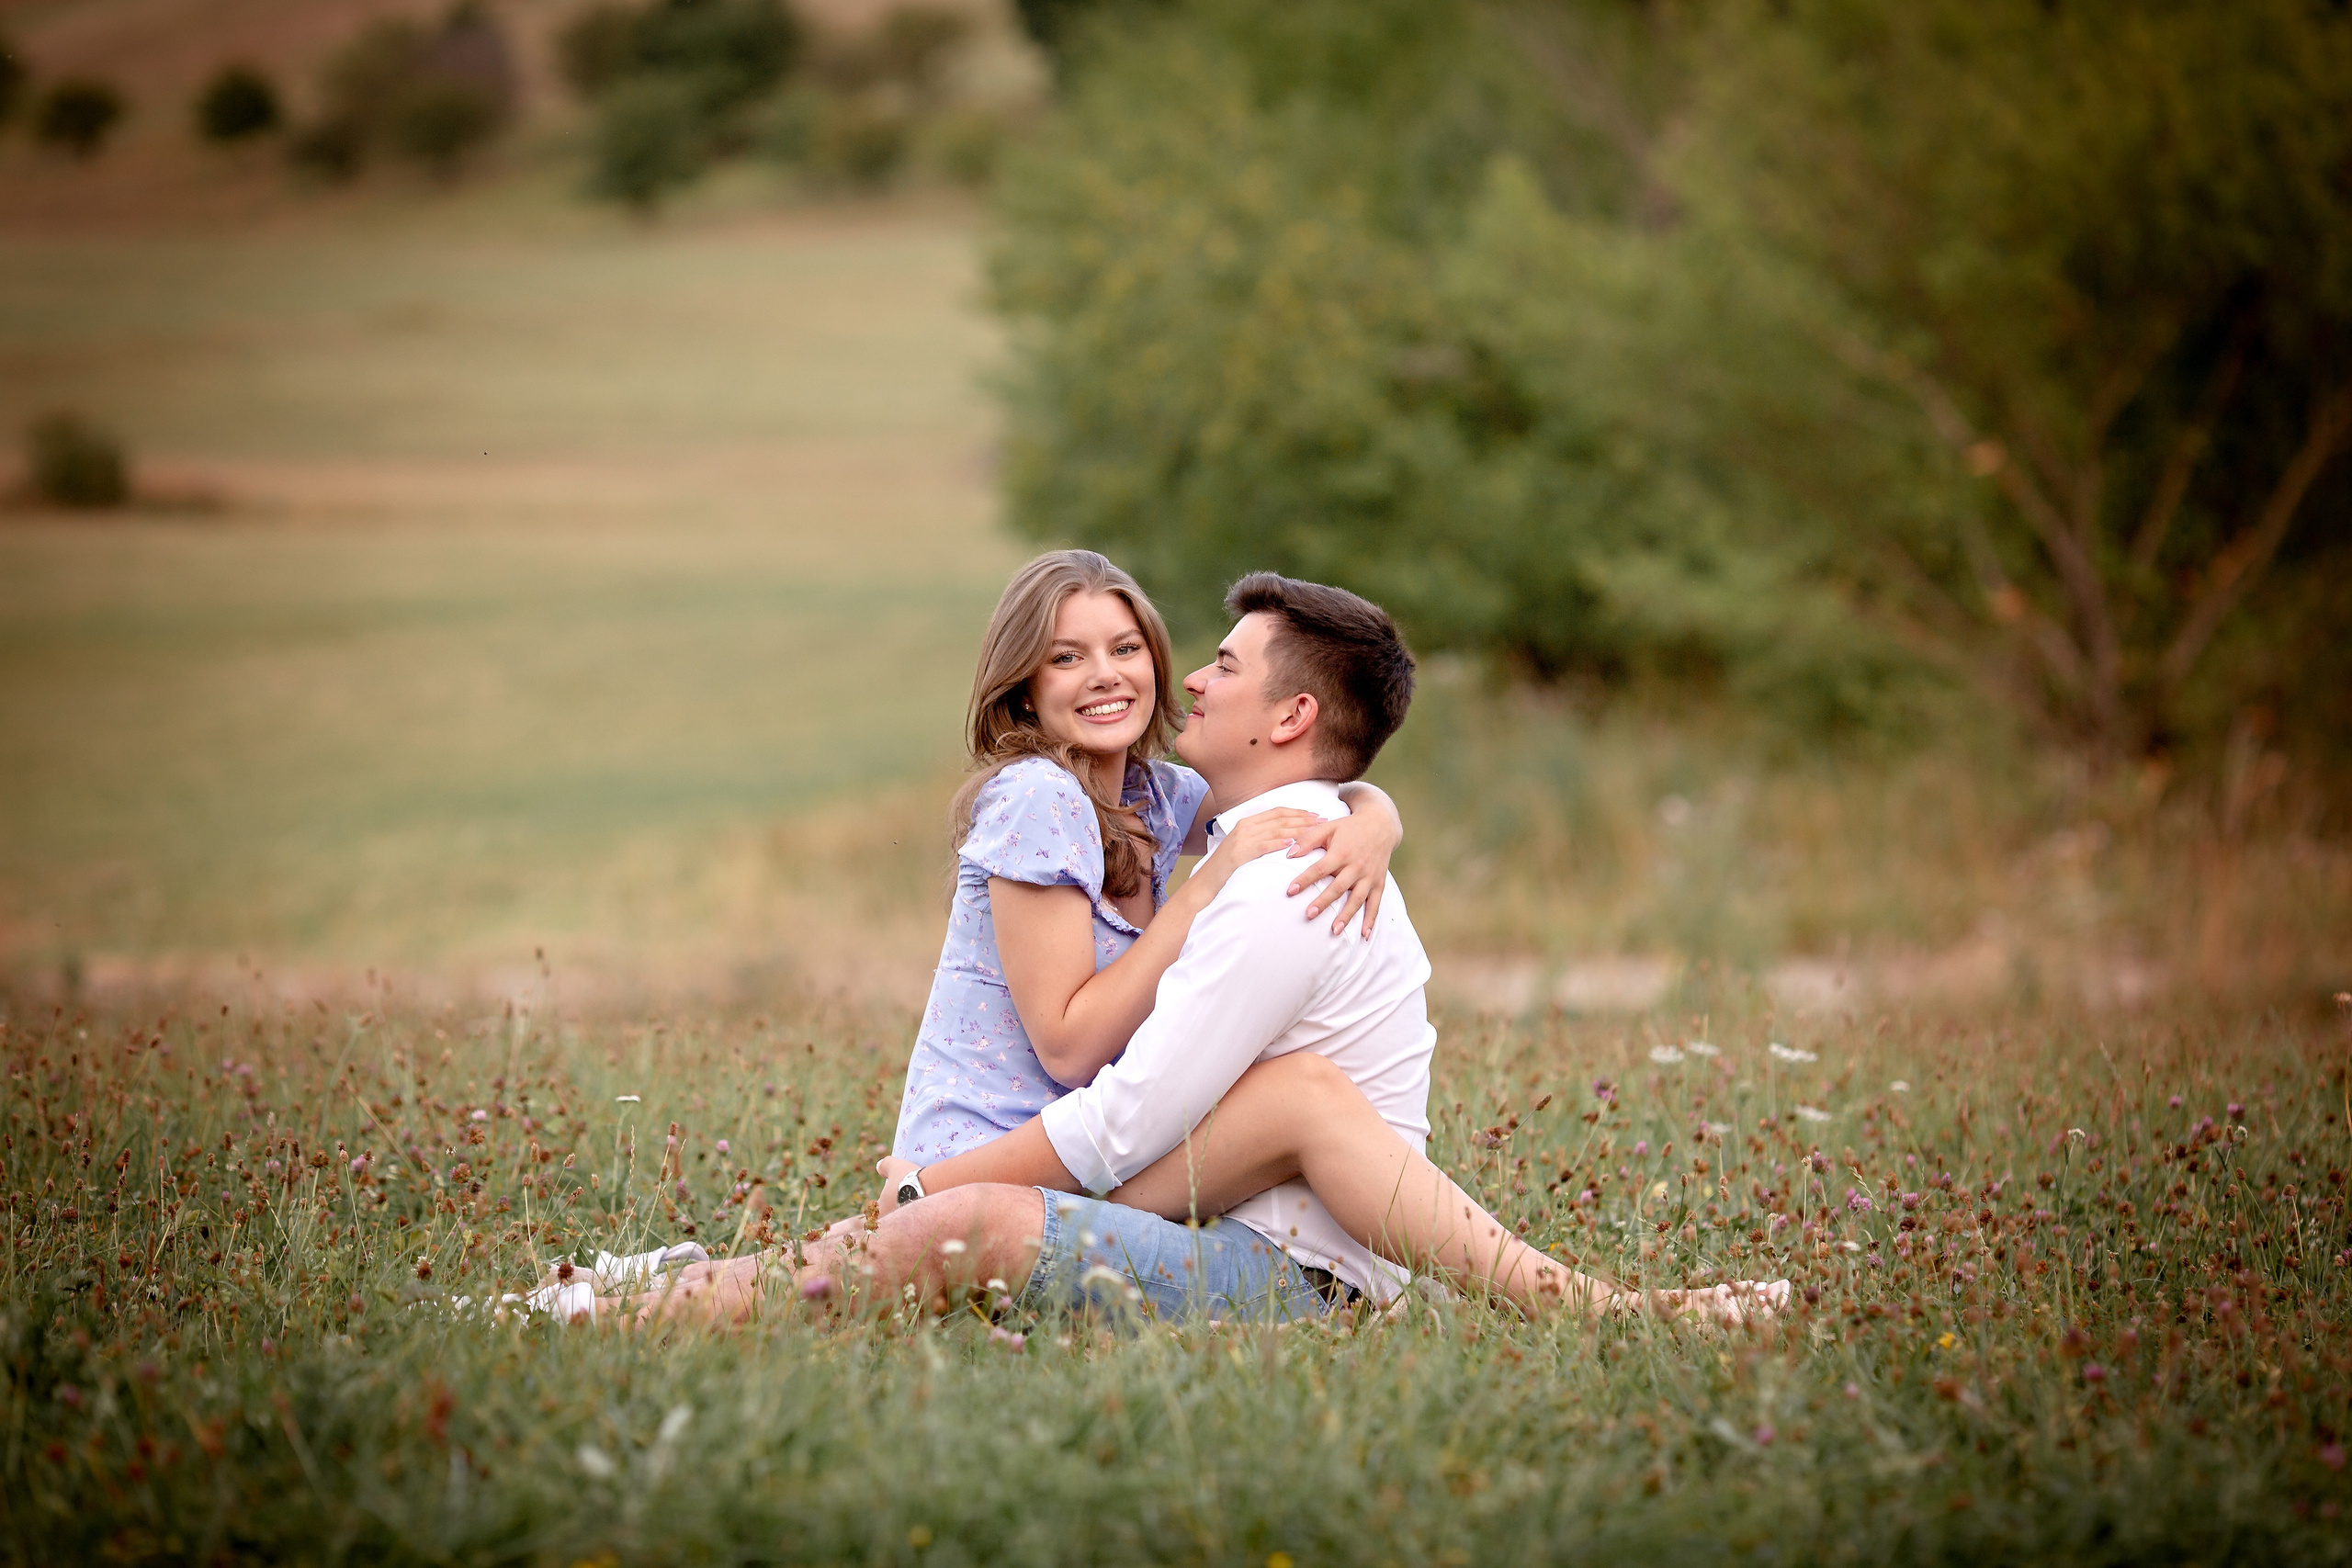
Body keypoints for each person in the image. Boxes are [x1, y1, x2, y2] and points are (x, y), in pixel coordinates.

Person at [582, 569, 1783, 1329]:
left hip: (1263, 1254)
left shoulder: (1233, 847)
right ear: (1023, 685)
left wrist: (1372, 817)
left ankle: (660, 1294)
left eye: (1190, 660)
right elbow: (1075, 1041)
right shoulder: (1140, 828)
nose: (1179, 679)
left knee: (967, 1224)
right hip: (1034, 1155)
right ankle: (638, 1301)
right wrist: (1239, 876)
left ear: (1289, 718)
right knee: (930, 1232)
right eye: (1065, 655)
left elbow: (1120, 1123)